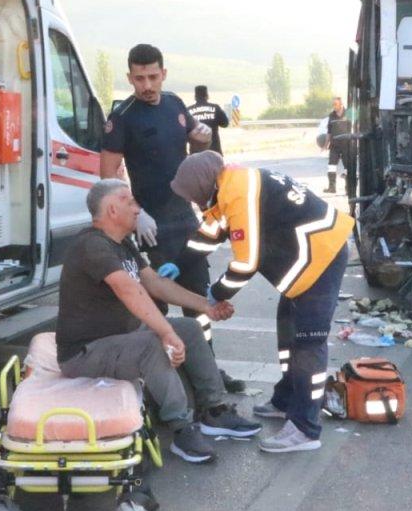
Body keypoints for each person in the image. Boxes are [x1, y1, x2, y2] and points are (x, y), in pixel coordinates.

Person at [57, 179, 263, 464]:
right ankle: (181, 428)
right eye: (129, 201)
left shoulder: (122, 243)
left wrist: (207, 305)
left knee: (190, 329)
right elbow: (129, 290)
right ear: (112, 210)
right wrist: (165, 332)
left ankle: (212, 410)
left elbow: (154, 283)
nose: (137, 208)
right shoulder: (91, 245)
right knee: (152, 345)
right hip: (85, 353)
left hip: (121, 337)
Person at [171, 151, 354, 454]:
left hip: (322, 256)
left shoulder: (238, 193)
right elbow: (209, 233)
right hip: (309, 259)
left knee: (308, 344)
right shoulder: (229, 184)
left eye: (191, 195)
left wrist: (216, 295)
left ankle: (305, 429)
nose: (191, 201)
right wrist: (178, 263)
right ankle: (286, 400)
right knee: (288, 333)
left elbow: (246, 263)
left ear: (202, 185)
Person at [100, 44, 245, 394]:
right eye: (139, 78)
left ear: (164, 73)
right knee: (157, 307)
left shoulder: (175, 104)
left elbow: (197, 142)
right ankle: (167, 378)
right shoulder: (122, 117)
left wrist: (202, 137)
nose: (147, 85)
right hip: (151, 227)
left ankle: (207, 370)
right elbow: (107, 177)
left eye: (153, 77)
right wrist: (136, 214)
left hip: (186, 219)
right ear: (129, 77)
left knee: (199, 301)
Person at [319, 97, 351, 194]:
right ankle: (332, 188)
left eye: (335, 104)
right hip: (334, 145)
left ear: (341, 104)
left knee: (348, 167)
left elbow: (355, 127)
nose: (334, 106)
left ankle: (349, 189)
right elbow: (329, 132)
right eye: (333, 104)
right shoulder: (331, 116)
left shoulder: (349, 113)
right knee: (331, 166)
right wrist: (325, 145)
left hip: (346, 145)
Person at [187, 85, 229, 155]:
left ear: (195, 97)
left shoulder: (188, 111)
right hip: (214, 151)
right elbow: (225, 124)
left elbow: (185, 132)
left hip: (196, 154)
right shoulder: (215, 108)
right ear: (207, 96)